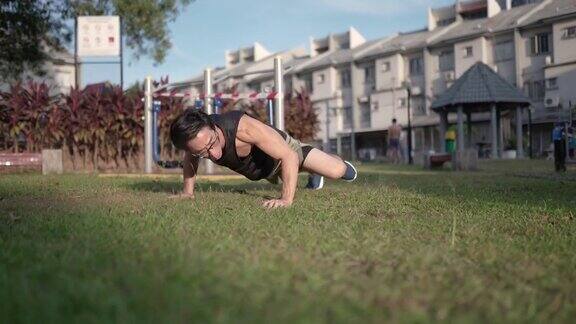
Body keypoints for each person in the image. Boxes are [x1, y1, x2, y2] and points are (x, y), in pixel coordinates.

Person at [169, 109, 358, 208]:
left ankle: (320, 161)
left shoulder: (242, 128)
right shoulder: (196, 141)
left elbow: (288, 155)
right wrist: (188, 192)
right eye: (203, 153)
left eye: (212, 143)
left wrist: (286, 200)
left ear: (212, 126)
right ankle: (313, 170)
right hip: (264, 169)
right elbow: (190, 158)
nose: (214, 154)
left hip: (284, 153)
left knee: (340, 172)